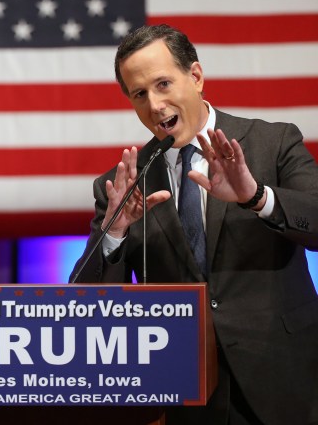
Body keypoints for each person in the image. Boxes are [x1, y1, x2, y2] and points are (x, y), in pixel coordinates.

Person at [71, 24, 318, 425]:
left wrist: (256, 197)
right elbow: (85, 299)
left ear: (196, 77)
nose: (154, 104)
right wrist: (114, 232)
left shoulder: (272, 143)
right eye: (139, 94)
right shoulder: (122, 185)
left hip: (284, 380)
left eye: (163, 83)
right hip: (184, 393)